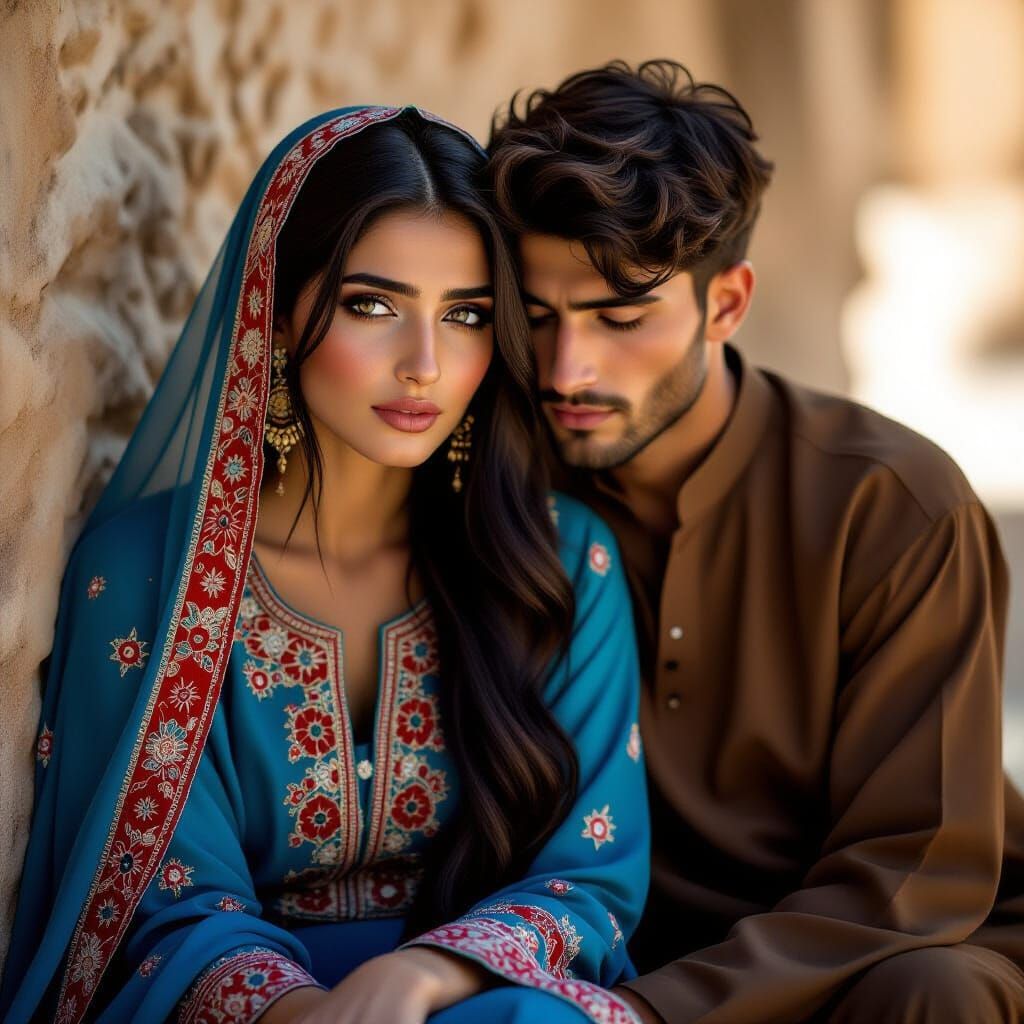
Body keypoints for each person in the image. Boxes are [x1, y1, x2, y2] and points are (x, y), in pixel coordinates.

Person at [0, 104, 650, 1024]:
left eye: (464, 315)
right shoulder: (148, 576)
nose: (424, 364)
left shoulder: (559, 563)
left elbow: (589, 877)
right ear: (278, 310)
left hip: (489, 1006)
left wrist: (425, 977)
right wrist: (312, 1014)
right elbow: (159, 902)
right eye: (373, 305)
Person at [486, 60, 1024, 1023]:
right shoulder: (503, 487)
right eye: (537, 318)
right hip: (615, 960)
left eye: (622, 318)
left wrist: (652, 1015)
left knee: (931, 993)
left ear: (726, 305)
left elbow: (910, 877)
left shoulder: (894, 505)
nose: (569, 368)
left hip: (893, 953)